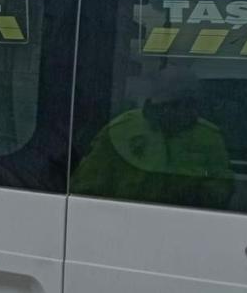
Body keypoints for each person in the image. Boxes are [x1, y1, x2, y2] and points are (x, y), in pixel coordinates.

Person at [72, 65, 235, 209]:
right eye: (174, 103)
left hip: (187, 223)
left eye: (189, 102)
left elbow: (222, 186)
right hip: (123, 220)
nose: (182, 110)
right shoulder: (121, 130)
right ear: (155, 101)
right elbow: (87, 186)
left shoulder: (208, 137)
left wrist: (194, 198)